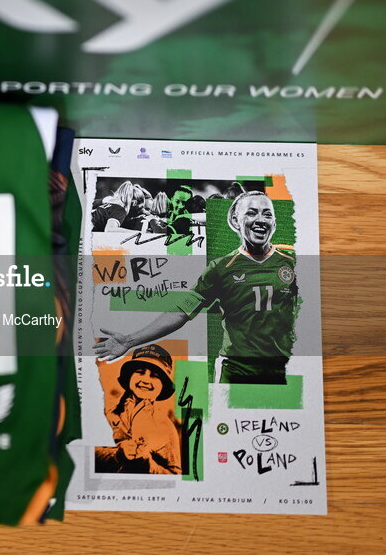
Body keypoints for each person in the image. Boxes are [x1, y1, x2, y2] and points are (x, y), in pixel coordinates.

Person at [94, 191, 298, 385]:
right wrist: (130, 340)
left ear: (274, 223)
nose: (261, 219)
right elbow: (181, 312)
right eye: (252, 213)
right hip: (237, 372)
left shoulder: (293, 260)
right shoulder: (221, 268)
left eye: (267, 214)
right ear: (235, 221)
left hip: (286, 369)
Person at [94, 344, 181, 474]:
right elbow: (83, 452)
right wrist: (118, 454)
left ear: (163, 386)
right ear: (129, 377)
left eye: (155, 375)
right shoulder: (107, 410)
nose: (146, 380)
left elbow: (175, 474)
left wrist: (147, 464)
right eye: (140, 372)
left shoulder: (166, 428)